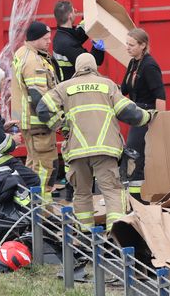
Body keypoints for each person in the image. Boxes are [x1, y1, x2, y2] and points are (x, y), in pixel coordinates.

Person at [37, 53, 152, 231]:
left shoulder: (64, 87)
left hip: (77, 151)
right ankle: (115, 236)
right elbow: (131, 114)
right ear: (94, 67)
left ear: (76, 68)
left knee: (82, 193)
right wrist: (148, 117)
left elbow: (42, 109)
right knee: (112, 191)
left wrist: (61, 126)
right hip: (105, 151)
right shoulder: (107, 85)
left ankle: (85, 235)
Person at [10, 21, 62, 197]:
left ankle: (28, 203)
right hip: (38, 123)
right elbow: (39, 99)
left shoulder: (22, 53)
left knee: (33, 163)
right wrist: (57, 122)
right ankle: (41, 209)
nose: (49, 42)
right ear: (35, 39)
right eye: (46, 39)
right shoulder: (33, 63)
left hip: (27, 122)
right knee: (46, 166)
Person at [119, 27, 165, 199]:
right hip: (136, 113)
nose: (127, 48)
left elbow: (160, 96)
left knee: (134, 156)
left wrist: (160, 123)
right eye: (127, 44)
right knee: (133, 155)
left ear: (143, 45)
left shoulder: (149, 66)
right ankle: (135, 196)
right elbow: (124, 88)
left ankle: (138, 200)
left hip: (146, 115)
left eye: (131, 45)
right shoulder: (133, 63)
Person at [51, 0, 105, 79]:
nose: (75, 11)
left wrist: (88, 18)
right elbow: (90, 64)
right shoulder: (66, 44)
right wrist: (98, 50)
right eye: (73, 10)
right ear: (69, 16)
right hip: (73, 85)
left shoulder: (62, 34)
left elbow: (78, 34)